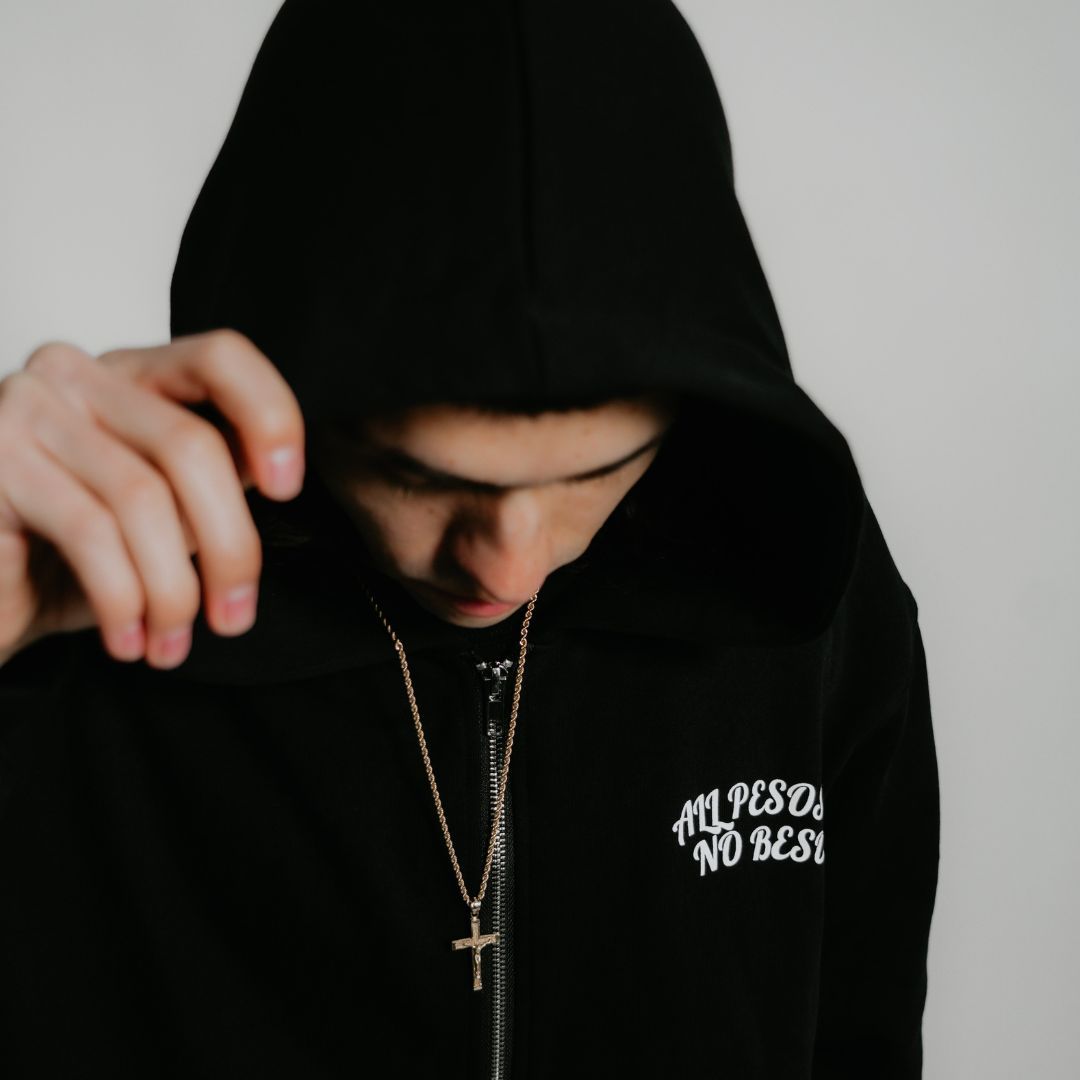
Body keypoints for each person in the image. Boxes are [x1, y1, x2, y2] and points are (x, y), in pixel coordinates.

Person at [0, 1, 940, 1077]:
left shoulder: (799, 583)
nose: (509, 561)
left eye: (598, 473)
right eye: (415, 475)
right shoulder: (74, 598)